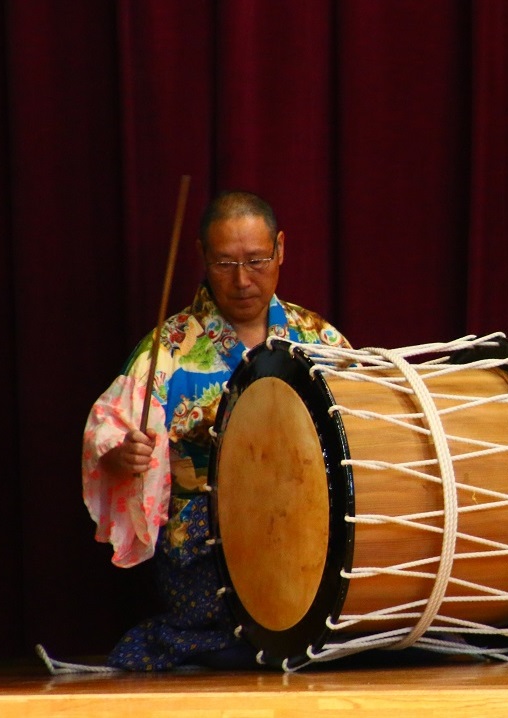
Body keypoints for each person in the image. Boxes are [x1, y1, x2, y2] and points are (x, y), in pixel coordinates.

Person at [81, 190, 350, 670]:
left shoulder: (318, 340)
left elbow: (358, 435)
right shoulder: (169, 350)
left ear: (281, 249)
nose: (243, 280)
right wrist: (125, 454)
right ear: (203, 257)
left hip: (308, 539)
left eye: (257, 260)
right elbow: (108, 432)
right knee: (261, 638)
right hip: (209, 555)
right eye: (225, 263)